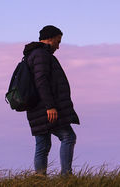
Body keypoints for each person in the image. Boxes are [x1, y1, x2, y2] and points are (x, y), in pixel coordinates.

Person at [23, 25, 80, 176]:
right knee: (68, 136)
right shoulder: (41, 55)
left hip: (36, 109)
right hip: (45, 109)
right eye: (58, 41)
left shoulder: (33, 54)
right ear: (51, 39)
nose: (58, 46)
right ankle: (66, 176)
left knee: (42, 145)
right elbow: (41, 81)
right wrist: (50, 106)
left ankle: (39, 180)